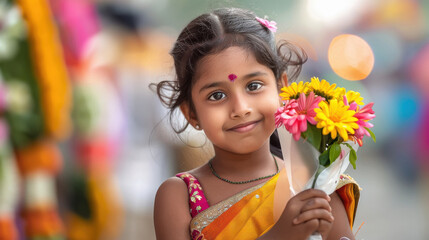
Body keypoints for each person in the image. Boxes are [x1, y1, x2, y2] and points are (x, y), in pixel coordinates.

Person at [152, 7, 360, 240]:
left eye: (253, 86)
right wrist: (278, 236)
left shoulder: (316, 188)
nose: (240, 109)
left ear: (281, 88)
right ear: (191, 114)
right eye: (217, 96)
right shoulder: (180, 195)